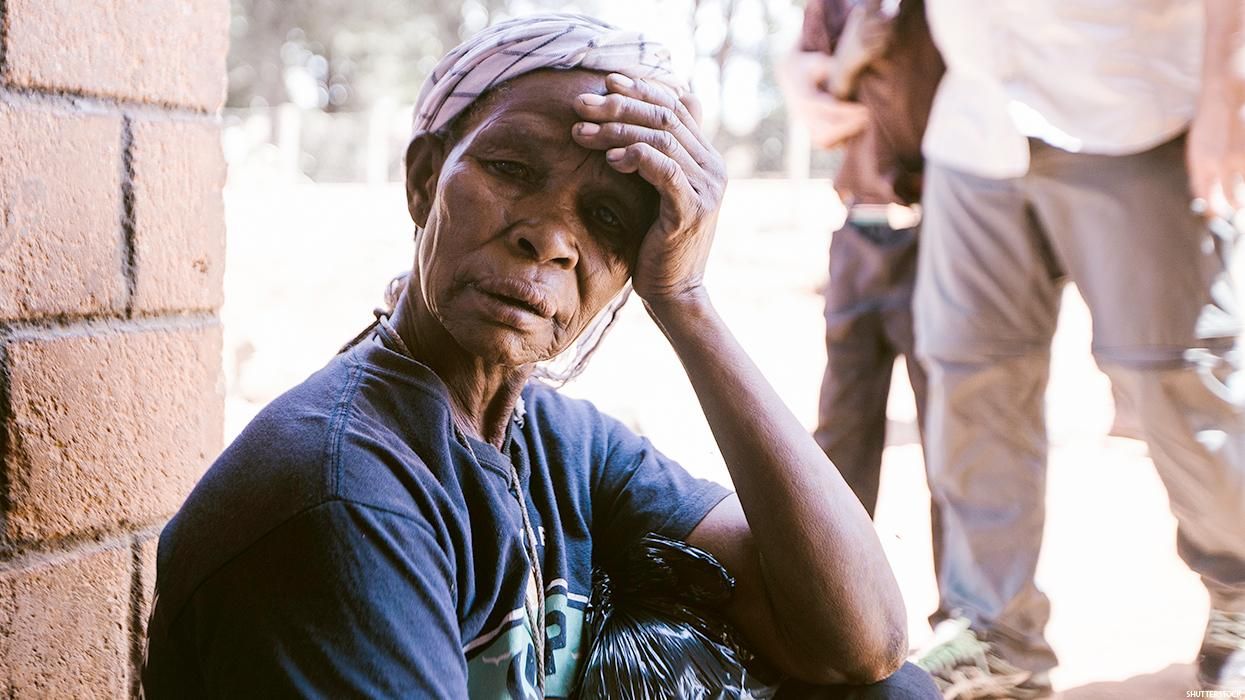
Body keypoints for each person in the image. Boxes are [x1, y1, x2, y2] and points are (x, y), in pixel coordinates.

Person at [142, 14, 940, 699]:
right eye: (510, 169)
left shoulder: (560, 445)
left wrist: (687, 304)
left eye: (605, 217)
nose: (551, 238)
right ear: (424, 181)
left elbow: (860, 640)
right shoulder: (343, 495)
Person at [910, 1, 1245, 696]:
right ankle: (994, 631)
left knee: (1180, 384)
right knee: (970, 376)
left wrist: (1226, 86)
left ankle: (1240, 596)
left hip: (1137, 103)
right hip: (974, 119)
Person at [780, 0, 942, 517]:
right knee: (842, 432)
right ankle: (831, 593)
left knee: (951, 441)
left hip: (940, 237)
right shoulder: (829, 9)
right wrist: (846, 62)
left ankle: (964, 600)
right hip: (858, 235)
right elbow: (824, 120)